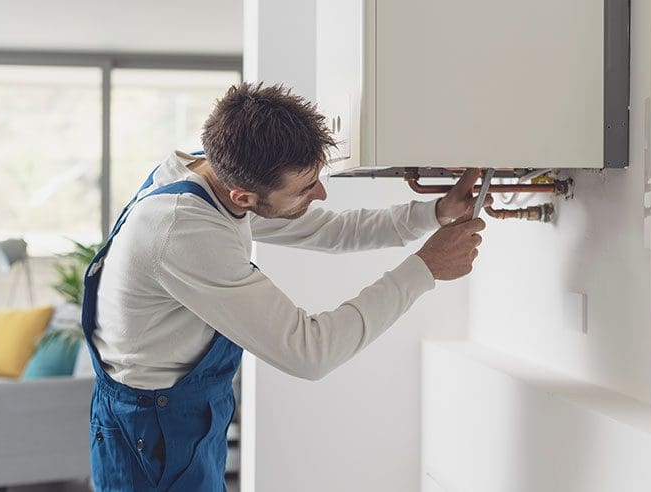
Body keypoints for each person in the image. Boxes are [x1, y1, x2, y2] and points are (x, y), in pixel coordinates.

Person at [81, 82, 488, 491]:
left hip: (179, 415)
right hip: (151, 435)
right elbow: (309, 351)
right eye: (306, 188)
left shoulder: (212, 172)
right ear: (243, 197)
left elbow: (330, 230)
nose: (322, 193)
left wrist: (435, 212)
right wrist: (425, 268)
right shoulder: (183, 230)